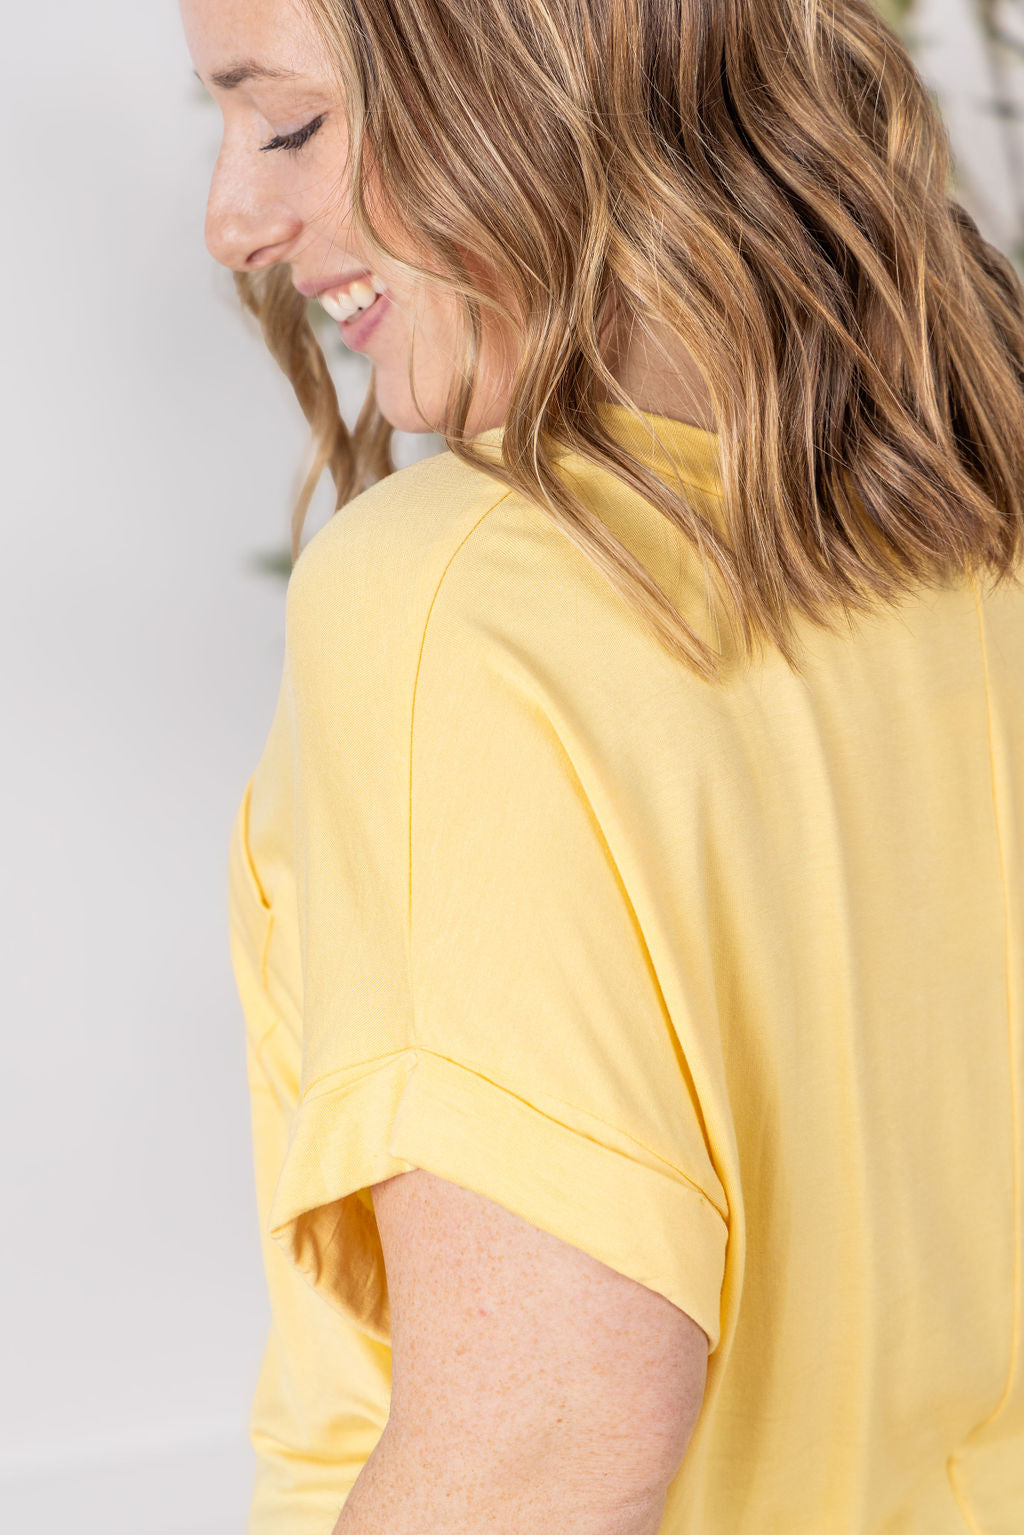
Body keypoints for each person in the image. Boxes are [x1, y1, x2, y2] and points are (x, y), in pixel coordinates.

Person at [180, 0, 1024, 1528]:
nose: (235, 220)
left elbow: (546, 1437)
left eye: (291, 122)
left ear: (533, 62)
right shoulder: (984, 507)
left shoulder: (458, 604)